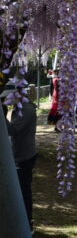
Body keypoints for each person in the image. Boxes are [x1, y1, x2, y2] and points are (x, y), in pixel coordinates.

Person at [3, 81, 38, 230]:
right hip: (19, 154)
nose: (7, 101)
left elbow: (12, 130)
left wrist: (2, 116)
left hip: (24, 157)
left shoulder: (27, 109)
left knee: (24, 192)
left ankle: (27, 224)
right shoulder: (20, 107)